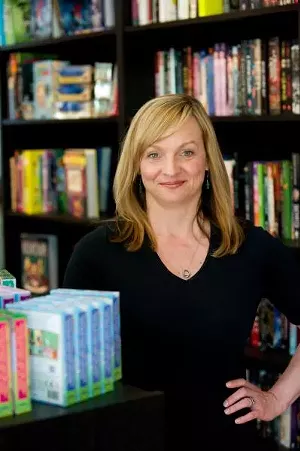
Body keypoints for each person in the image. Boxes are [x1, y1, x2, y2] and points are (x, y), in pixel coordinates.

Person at [63, 94, 300, 451]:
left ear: (207, 161)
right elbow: (66, 366)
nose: (170, 169)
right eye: (154, 154)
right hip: (126, 441)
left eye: (186, 152)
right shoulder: (97, 253)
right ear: (137, 165)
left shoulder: (250, 246)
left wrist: (278, 399)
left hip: (227, 443)